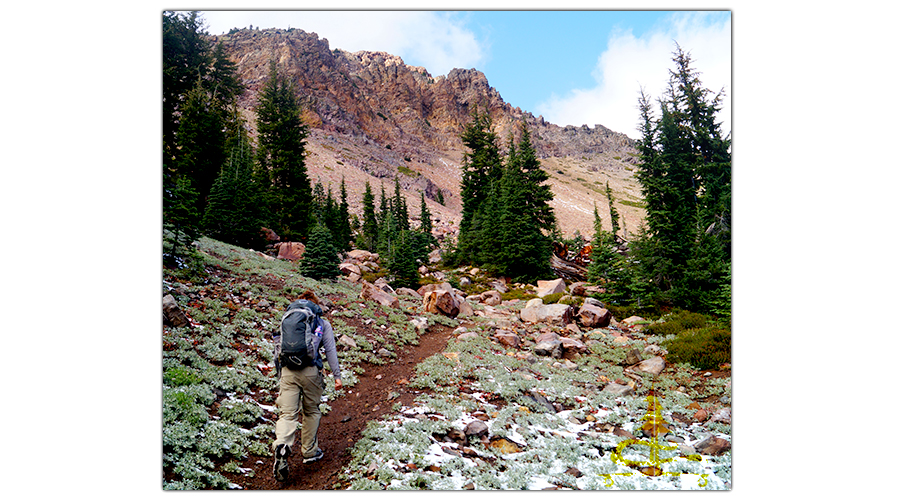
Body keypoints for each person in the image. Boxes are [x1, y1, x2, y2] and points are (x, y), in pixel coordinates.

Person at [272, 292, 342, 482]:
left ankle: (282, 445)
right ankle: (310, 451)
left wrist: (280, 373)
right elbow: (330, 350)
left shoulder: (288, 318)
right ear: (316, 306)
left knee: (287, 414)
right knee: (311, 411)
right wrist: (337, 376)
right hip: (311, 371)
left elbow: (277, 347)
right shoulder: (321, 322)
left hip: (288, 371)